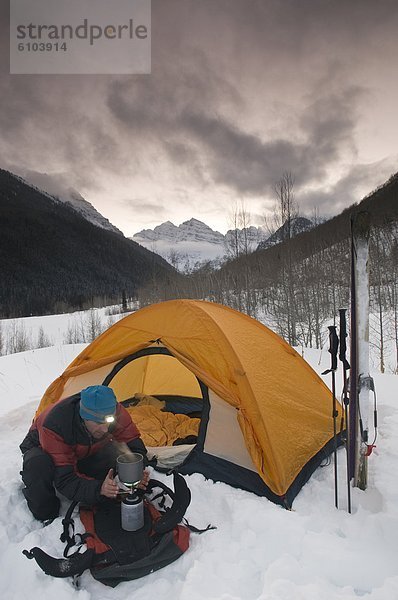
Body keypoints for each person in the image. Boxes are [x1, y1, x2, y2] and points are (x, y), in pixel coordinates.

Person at [20, 385, 148, 522]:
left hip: (82, 451)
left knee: (113, 452)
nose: (105, 429)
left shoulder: (113, 409)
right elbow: (65, 480)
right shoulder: (56, 424)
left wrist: (137, 471)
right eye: (98, 422)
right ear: (84, 417)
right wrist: (99, 489)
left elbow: (133, 445)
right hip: (45, 449)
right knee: (38, 465)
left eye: (108, 421)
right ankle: (47, 515)